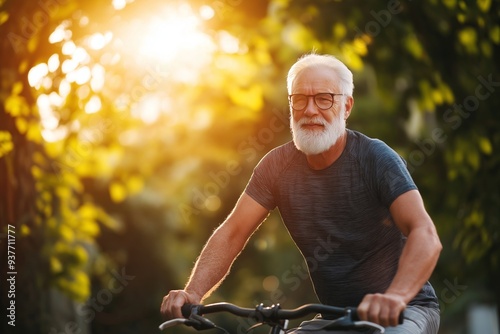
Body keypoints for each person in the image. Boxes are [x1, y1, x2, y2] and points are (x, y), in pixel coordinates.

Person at [160, 53, 442, 333]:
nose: (310, 110)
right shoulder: (276, 166)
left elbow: (424, 233)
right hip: (336, 317)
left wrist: (395, 297)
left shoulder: (376, 158)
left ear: (346, 107)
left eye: (324, 98)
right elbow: (233, 231)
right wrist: (193, 293)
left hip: (407, 309)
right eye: (300, 99)